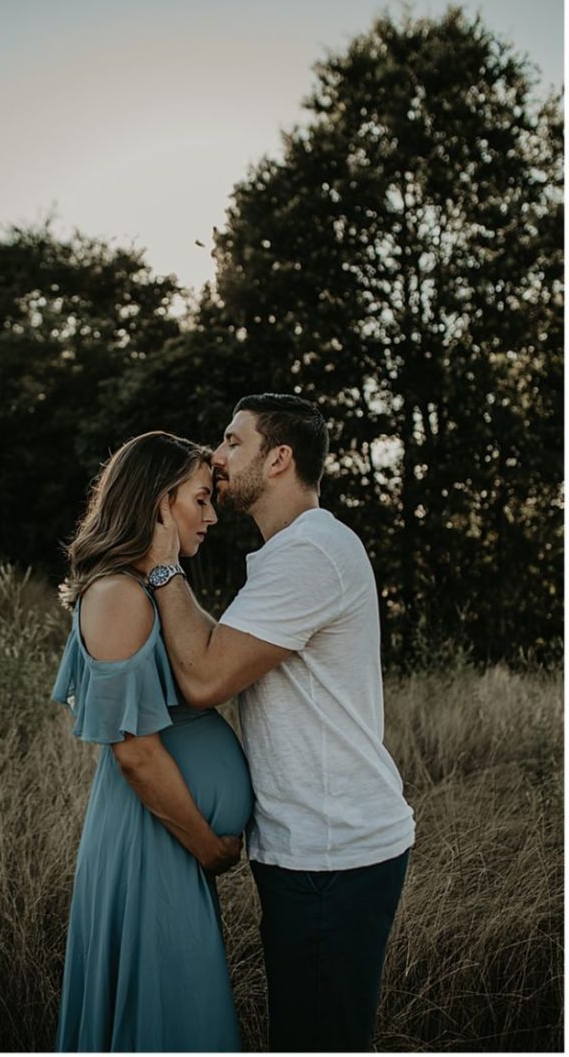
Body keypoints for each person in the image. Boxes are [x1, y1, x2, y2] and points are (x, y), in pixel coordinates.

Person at [148, 393, 416, 1053]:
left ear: (279, 459)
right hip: (320, 848)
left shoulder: (309, 555)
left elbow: (207, 675)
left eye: (233, 442)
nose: (217, 455)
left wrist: (159, 566)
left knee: (316, 1038)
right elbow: (224, 646)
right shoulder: (294, 554)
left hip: (330, 854)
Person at [51, 431, 253, 1052]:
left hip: (165, 837)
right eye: (200, 499)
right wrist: (209, 847)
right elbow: (133, 751)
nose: (213, 515)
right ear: (161, 503)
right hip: (153, 838)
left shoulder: (146, 590)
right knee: (167, 1020)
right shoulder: (118, 596)